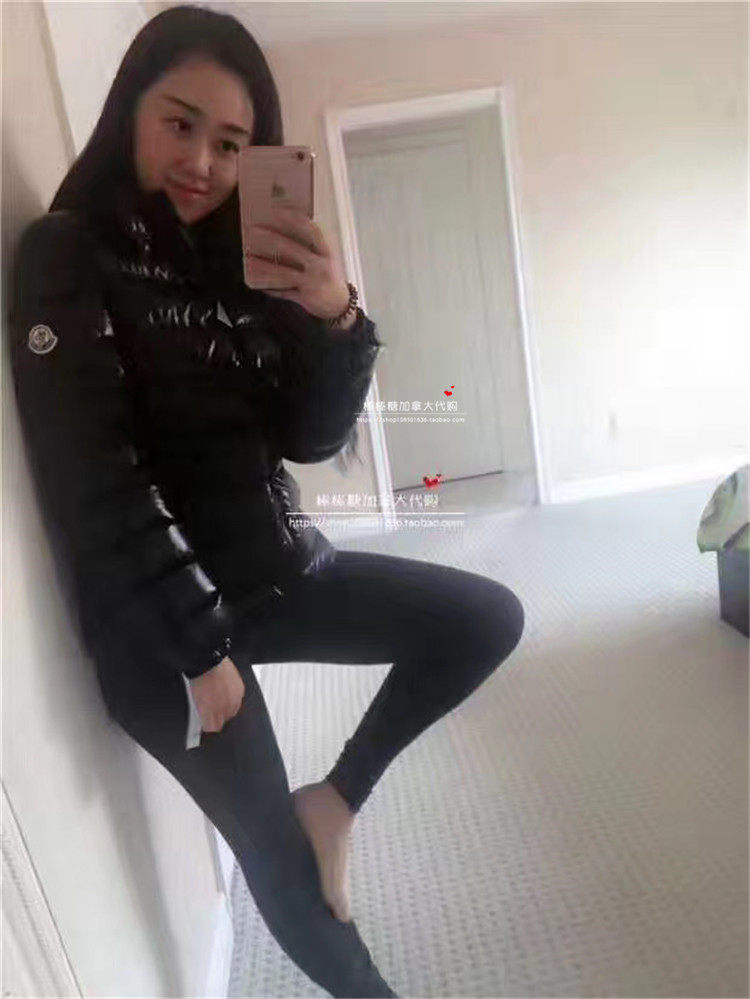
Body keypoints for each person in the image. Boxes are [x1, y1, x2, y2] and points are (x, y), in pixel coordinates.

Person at [7, 5, 525, 996]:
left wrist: (336, 319)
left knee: (484, 619)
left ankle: (336, 799)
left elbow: (308, 439)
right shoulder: (65, 252)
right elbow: (93, 474)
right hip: (166, 630)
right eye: (181, 123)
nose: (204, 161)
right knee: (283, 872)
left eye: (232, 142)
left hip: (274, 569)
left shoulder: (230, 257)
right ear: (130, 111)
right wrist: (203, 652)